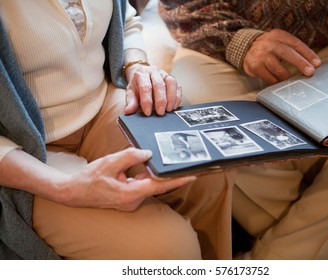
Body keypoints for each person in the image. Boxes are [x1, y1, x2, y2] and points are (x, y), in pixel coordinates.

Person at [0, 0, 234, 260]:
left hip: (101, 103)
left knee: (206, 163)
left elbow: (125, 19)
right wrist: (65, 188)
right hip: (24, 152)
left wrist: (136, 65)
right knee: (167, 247)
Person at [158, 0, 328, 259]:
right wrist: (243, 42)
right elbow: (181, 6)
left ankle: (277, 259)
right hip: (225, 40)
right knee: (196, 112)